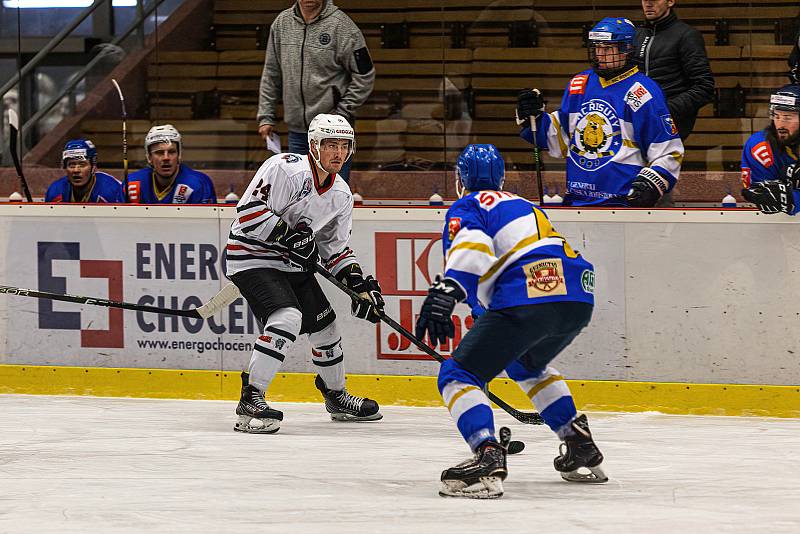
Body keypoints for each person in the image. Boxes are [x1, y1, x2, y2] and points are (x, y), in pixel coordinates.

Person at [414, 144, 607, 499]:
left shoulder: (469, 204)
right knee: (526, 364)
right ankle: (577, 440)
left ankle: (486, 456)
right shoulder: (523, 205)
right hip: (579, 295)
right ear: (502, 178)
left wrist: (445, 294)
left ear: (460, 180)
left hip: (529, 292)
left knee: (457, 375)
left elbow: (473, 246)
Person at [227, 113, 384, 434]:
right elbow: (248, 213)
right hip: (251, 256)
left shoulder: (341, 194)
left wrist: (358, 285)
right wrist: (288, 236)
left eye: (344, 146)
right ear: (313, 146)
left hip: (291, 263)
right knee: (286, 318)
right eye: (330, 145)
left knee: (326, 327)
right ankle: (250, 398)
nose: (338, 153)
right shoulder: (284, 168)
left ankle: (336, 397)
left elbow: (335, 248)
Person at [517, 17, 684, 207]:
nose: (600, 55)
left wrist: (650, 184)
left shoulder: (642, 92)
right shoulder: (578, 84)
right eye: (597, 48)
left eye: (607, 49)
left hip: (622, 205)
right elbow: (563, 139)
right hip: (576, 202)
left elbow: (669, 151)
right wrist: (533, 119)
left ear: (627, 50)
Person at [257, 0, 375, 182]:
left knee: (332, 194)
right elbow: (271, 73)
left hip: (333, 135)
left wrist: (342, 112)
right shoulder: (282, 24)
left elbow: (365, 74)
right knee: (298, 193)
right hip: (297, 131)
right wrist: (266, 115)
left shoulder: (342, 26)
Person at [633, 0, 715, 141]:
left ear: (670, 2)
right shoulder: (637, 35)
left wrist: (666, 110)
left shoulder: (686, 35)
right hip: (636, 120)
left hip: (669, 125)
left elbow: (704, 87)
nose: (648, 4)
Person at [741, 84, 800, 216]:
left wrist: (795, 198)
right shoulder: (760, 147)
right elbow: (764, 196)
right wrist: (791, 199)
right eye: (776, 116)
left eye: (787, 117)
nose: (780, 124)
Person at [125, 125, 217, 204]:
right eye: (159, 152)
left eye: (171, 152)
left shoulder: (198, 184)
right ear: (149, 157)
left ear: (179, 155)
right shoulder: (132, 184)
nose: (166, 158)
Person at [45, 139, 124, 203]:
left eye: (82, 165)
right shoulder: (55, 191)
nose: (76, 170)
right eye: (71, 165)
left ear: (93, 167)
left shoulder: (113, 190)